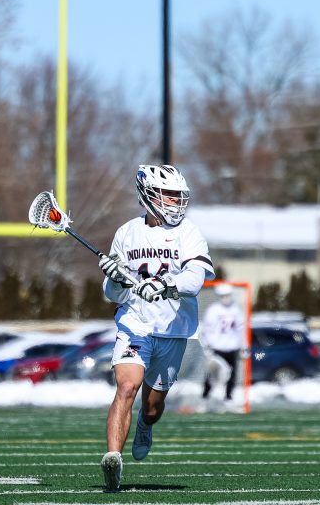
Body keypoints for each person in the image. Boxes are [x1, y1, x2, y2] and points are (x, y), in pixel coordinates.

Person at [97, 164, 214, 492]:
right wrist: (115, 278)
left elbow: (195, 279)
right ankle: (113, 459)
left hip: (173, 329)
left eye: (179, 196)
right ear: (148, 195)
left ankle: (145, 426)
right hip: (135, 325)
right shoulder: (126, 233)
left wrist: (165, 285)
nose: (176, 202)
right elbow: (113, 294)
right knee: (127, 386)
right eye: (169, 195)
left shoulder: (188, 233)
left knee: (151, 406)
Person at [200, 283, 245, 401]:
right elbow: (206, 329)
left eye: (227, 295)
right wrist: (207, 345)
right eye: (223, 296)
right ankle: (206, 394)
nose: (226, 298)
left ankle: (228, 396)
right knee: (211, 372)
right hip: (217, 348)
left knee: (232, 373)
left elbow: (241, 329)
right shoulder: (213, 310)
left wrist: (243, 345)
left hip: (232, 348)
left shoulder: (236, 310)